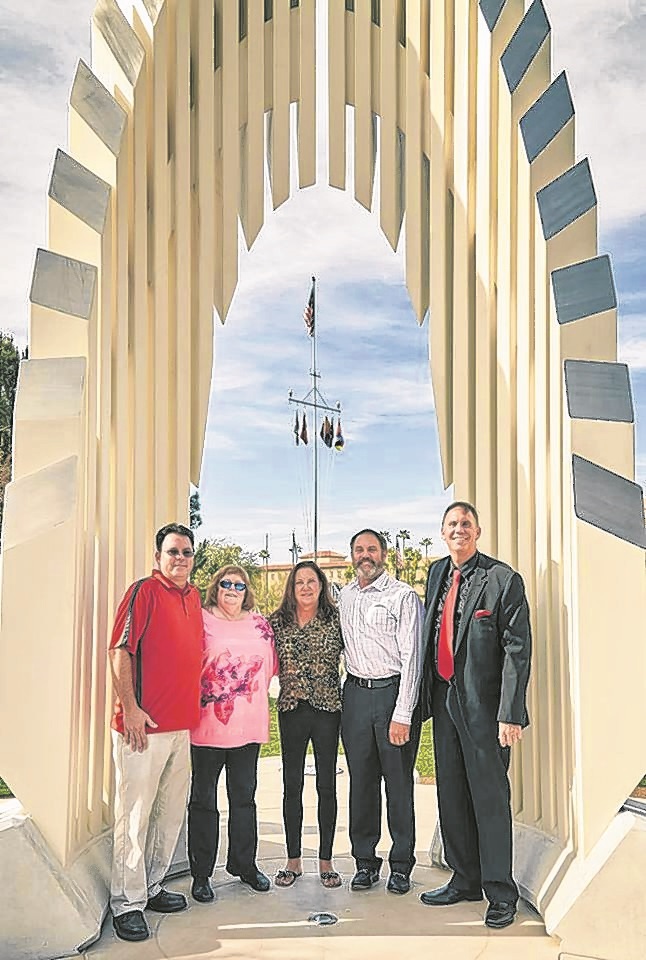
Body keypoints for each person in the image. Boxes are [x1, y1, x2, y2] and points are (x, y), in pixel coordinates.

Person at [418, 501, 532, 929]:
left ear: (478, 531)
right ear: (442, 532)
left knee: (488, 799)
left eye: (466, 523)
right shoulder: (436, 574)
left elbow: (517, 651)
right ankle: (463, 878)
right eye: (452, 524)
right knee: (450, 794)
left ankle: (500, 891)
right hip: (445, 703)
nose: (459, 530)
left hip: (486, 713)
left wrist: (510, 713)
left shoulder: (503, 580)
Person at [108, 522, 203, 943]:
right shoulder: (143, 591)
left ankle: (151, 885)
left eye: (185, 552)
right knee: (135, 816)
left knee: (169, 811)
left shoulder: (194, 596)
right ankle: (126, 903)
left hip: (182, 727)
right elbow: (120, 649)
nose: (179, 559)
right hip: (142, 729)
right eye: (172, 552)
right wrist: (129, 708)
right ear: (157, 557)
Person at [338, 529, 424, 895]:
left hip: (392, 695)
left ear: (384, 554)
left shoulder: (402, 596)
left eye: (372, 549)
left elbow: (412, 657)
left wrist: (402, 712)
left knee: (399, 783)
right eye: (359, 549)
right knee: (362, 783)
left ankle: (401, 864)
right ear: (352, 556)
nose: (365, 555)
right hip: (355, 695)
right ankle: (365, 862)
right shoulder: (345, 596)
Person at [188, 565, 278, 903]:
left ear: (247, 591)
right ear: (215, 587)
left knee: (244, 800)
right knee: (204, 802)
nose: (232, 589)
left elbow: (270, 669)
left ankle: (245, 864)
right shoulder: (200, 619)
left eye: (239, 585)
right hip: (206, 728)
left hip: (248, 728)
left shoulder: (260, 624)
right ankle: (201, 874)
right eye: (225, 583)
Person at [269, 561, 344, 889]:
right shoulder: (276, 622)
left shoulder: (336, 620)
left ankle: (326, 860)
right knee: (292, 786)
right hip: (291, 709)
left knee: (326, 786)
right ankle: (293, 860)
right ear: (291, 587)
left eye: (311, 581)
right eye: (299, 582)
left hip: (328, 710)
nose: (306, 587)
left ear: (321, 585)